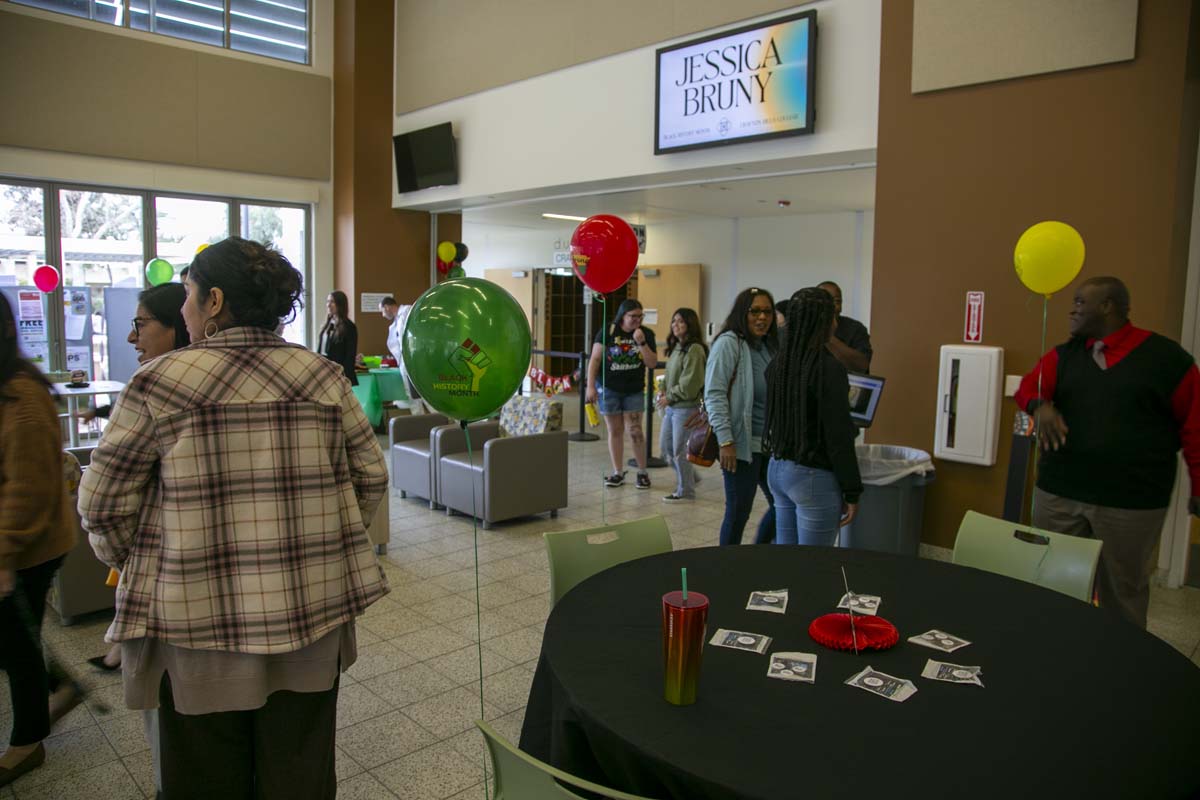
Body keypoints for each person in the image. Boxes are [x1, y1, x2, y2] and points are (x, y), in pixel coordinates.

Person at [79, 237, 390, 799]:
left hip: (195, 626)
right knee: (299, 775)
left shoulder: (159, 383)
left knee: (203, 777)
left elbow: (100, 505)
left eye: (188, 294)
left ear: (215, 301)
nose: (184, 309)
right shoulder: (323, 378)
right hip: (309, 620)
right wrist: (319, 542)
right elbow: (371, 477)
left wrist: (146, 557)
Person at [1014, 276, 1200, 628]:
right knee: (1051, 580)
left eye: (1080, 302)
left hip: (1131, 501)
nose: (1072, 310)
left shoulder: (1168, 361)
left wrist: (1199, 486)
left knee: (1122, 591)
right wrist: (1040, 405)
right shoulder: (1064, 356)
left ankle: (1119, 655)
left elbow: (1195, 428)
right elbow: (1027, 387)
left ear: (1107, 306)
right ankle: (1055, 644)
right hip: (1061, 492)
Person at [0, 293, 80, 788]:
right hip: (17, 542)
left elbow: (26, 490)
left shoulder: (22, 396)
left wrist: (4, 553)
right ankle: (59, 685)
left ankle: (27, 742)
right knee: (13, 639)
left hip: (28, 546)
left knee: (15, 645)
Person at [764, 288, 862, 546]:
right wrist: (852, 491)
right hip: (812, 477)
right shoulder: (828, 369)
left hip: (778, 468)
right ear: (824, 322)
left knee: (788, 559)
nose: (836, 323)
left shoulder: (778, 364)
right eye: (832, 317)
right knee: (814, 563)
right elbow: (839, 437)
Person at [705, 288, 778, 546]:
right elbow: (714, 394)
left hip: (770, 446)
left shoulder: (769, 347)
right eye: (754, 311)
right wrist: (726, 441)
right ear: (742, 313)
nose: (762, 317)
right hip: (740, 446)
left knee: (782, 505)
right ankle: (726, 563)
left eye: (767, 311)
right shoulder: (729, 343)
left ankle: (758, 552)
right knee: (738, 513)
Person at [586, 298, 657, 489]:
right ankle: (617, 472)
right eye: (633, 316)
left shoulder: (646, 334)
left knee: (635, 431)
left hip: (634, 390)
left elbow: (651, 363)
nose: (637, 320)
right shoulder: (609, 331)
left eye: (640, 316)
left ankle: (642, 472)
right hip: (609, 389)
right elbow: (595, 359)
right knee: (615, 431)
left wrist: (641, 342)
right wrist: (590, 386)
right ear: (622, 316)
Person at [657, 308, 707, 503]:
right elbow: (671, 375)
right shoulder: (678, 347)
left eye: (680, 321)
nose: (675, 325)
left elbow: (690, 384)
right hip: (672, 407)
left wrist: (669, 396)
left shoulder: (695, 349)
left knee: (679, 451)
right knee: (666, 449)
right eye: (673, 321)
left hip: (685, 408)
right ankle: (690, 478)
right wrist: (663, 390)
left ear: (690, 324)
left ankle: (686, 491)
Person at [817, 281, 872, 374]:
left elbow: (861, 367)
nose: (832, 306)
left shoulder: (855, 328)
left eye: (837, 301)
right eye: (825, 301)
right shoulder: (801, 329)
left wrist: (827, 336)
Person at [319, 289, 358, 385]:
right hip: (324, 370)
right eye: (328, 301)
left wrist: (344, 376)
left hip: (339, 372)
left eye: (332, 302)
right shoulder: (327, 325)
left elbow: (350, 355)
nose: (328, 305)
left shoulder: (349, 327)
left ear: (340, 305)